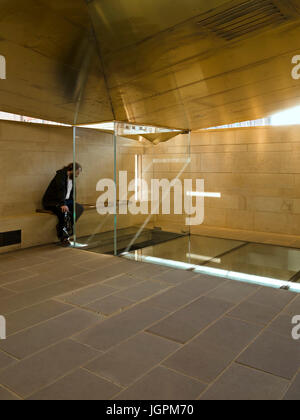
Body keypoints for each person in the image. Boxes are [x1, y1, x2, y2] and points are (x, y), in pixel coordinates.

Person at [43, 163, 84, 246]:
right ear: (72, 170)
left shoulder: (71, 179)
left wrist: (71, 202)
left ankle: (62, 227)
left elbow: (71, 193)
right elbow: (60, 191)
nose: (77, 175)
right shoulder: (60, 176)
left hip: (65, 201)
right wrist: (62, 204)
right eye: (77, 172)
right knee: (64, 212)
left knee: (79, 208)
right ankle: (64, 238)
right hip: (53, 201)